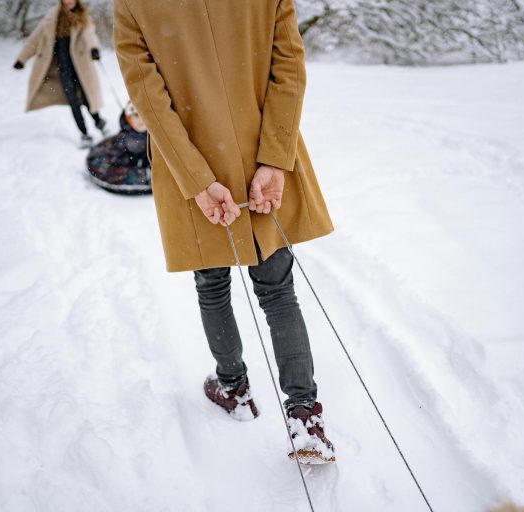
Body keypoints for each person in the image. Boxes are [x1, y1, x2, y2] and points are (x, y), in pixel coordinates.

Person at [114, 0, 335, 464]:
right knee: (278, 291)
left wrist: (197, 179)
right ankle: (304, 416)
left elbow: (149, 98)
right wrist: (274, 157)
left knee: (212, 285)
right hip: (261, 154)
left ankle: (232, 386)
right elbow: (288, 65)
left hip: (194, 160)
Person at [13, 0, 107, 148]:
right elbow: (35, 39)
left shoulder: (83, 16)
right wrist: (22, 58)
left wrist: (94, 49)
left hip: (81, 66)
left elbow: (90, 35)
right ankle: (84, 133)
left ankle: (99, 123)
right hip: (63, 68)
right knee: (73, 101)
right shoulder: (52, 18)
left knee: (88, 98)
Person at [86, 101, 151, 194]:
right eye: (136, 115)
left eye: (144, 115)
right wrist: (144, 175)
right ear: (128, 118)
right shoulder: (121, 141)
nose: (140, 119)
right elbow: (100, 167)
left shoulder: (155, 139)